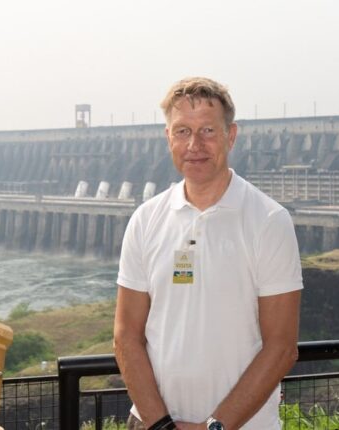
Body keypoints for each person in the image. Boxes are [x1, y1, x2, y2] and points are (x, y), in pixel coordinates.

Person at [114, 77, 303, 430]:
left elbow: (281, 347)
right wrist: (161, 425)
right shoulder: (146, 220)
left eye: (208, 131)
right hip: (152, 425)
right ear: (168, 137)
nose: (194, 145)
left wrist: (214, 426)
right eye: (182, 131)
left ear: (231, 136)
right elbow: (126, 335)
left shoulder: (268, 220)